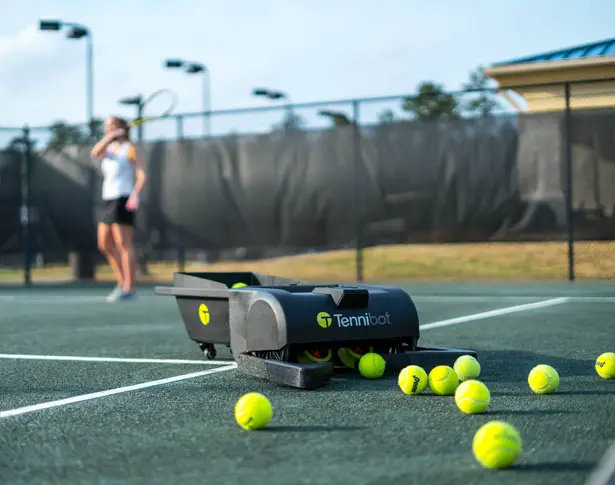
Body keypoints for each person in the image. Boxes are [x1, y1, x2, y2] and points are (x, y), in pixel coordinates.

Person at [91, 116, 147, 302]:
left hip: (123, 199)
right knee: (104, 244)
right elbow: (94, 153)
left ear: (122, 127)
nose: (109, 129)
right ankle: (122, 282)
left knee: (124, 245)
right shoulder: (108, 148)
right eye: (107, 127)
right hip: (107, 199)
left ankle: (129, 288)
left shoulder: (130, 149)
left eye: (112, 126)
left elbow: (141, 175)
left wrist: (135, 193)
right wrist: (111, 136)